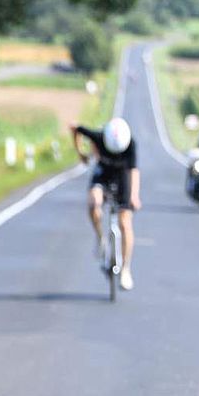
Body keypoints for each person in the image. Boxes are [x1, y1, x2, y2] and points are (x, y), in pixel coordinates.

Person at [69, 117, 140, 290]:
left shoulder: (130, 144)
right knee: (94, 203)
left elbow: (134, 171)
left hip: (122, 177)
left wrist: (134, 196)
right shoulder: (99, 137)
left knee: (125, 223)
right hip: (103, 174)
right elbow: (75, 127)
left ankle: (125, 269)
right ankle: (100, 237)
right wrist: (81, 154)